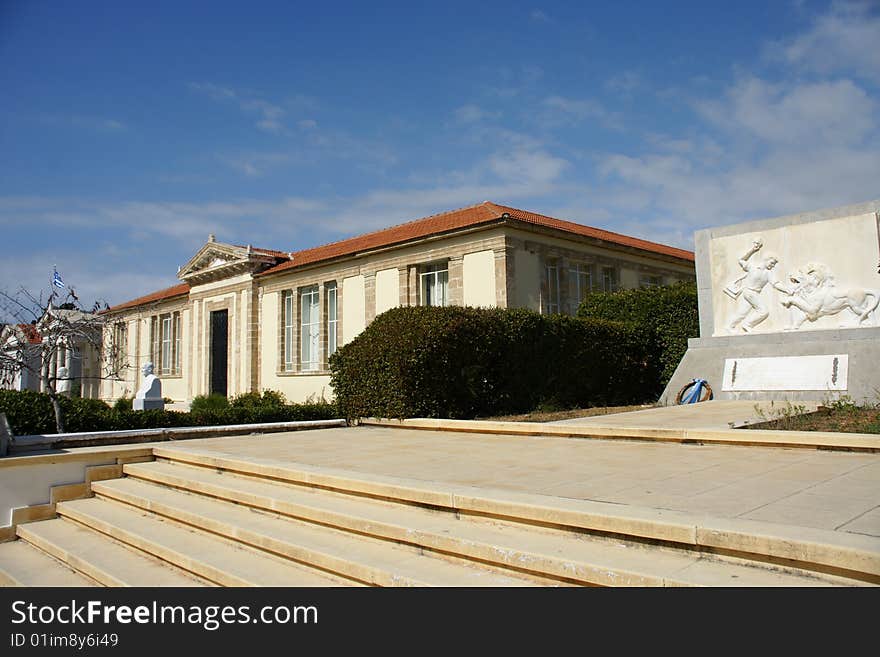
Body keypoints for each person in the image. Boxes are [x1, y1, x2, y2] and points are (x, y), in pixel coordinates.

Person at [727, 240, 790, 332]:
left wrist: (786, 290)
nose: (772, 265)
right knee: (764, 311)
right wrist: (752, 250)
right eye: (772, 263)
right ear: (766, 259)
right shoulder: (753, 266)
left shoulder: (768, 273)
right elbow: (741, 260)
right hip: (749, 292)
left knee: (743, 313)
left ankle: (729, 326)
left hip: (754, 293)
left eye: (774, 264)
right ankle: (747, 324)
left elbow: (776, 284)